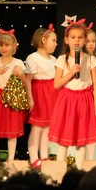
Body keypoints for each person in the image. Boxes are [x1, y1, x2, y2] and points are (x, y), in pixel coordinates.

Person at [49, 20, 96, 165]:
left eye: (80, 37)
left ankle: (80, 169)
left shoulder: (91, 59)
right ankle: (60, 170)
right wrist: (71, 72)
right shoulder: (61, 59)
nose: (76, 41)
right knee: (64, 138)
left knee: (81, 139)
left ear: (85, 40)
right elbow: (57, 84)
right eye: (73, 37)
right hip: (67, 99)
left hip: (84, 99)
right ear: (66, 40)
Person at [0, 28, 32, 163]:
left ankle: (11, 159)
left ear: (13, 46)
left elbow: (25, 82)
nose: (3, 48)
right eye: (1, 45)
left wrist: (21, 74)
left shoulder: (18, 62)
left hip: (12, 97)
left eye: (6, 45)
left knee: (12, 129)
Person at [25, 24, 58, 168]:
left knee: (46, 128)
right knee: (37, 127)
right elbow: (28, 80)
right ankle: (33, 157)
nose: (56, 44)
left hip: (51, 95)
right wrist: (30, 99)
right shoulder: (33, 58)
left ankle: (44, 155)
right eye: (53, 40)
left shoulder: (54, 59)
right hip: (39, 94)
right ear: (43, 40)